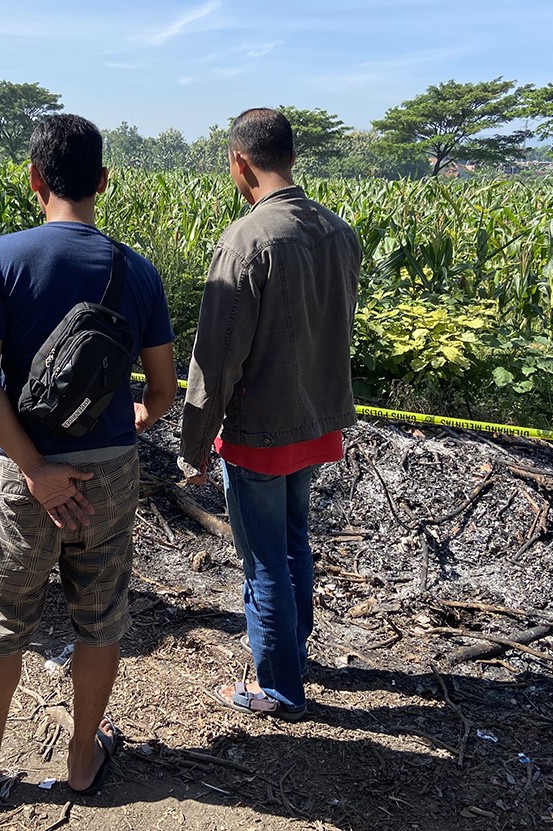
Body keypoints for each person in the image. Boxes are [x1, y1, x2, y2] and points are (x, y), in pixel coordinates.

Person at [0, 113, 176, 806]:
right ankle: (81, 758)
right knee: (100, 619)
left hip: (21, 471)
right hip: (111, 468)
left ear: (35, 179)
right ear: (103, 181)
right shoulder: (137, 270)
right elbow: (160, 391)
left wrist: (36, 469)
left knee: (2, 622)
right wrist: (131, 420)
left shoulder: (0, 258)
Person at [179, 108, 361, 721]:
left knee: (263, 557)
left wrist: (195, 443)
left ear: (239, 163)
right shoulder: (338, 230)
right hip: (316, 420)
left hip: (260, 428)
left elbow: (217, 356)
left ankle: (278, 684)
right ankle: (293, 655)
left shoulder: (246, 241)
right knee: (293, 541)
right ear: (290, 155)